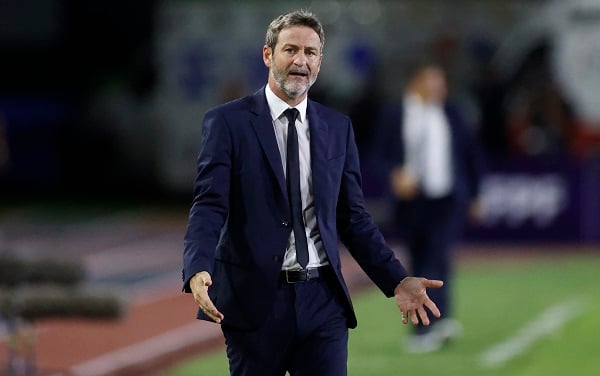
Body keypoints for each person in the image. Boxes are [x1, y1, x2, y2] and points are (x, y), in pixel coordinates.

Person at [182, 10, 443, 375]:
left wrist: (397, 278)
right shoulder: (227, 123)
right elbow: (210, 204)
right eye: (290, 50)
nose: (300, 61)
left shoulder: (338, 128)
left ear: (320, 61)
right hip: (256, 301)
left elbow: (353, 218)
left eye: (311, 53)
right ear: (268, 55)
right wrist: (198, 266)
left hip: (323, 301)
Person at [372, 63, 484, 353]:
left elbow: (471, 153)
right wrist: (395, 174)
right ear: (416, 82)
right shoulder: (395, 113)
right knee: (418, 262)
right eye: (434, 82)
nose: (440, 89)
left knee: (438, 256)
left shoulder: (452, 112)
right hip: (411, 202)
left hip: (447, 198)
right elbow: (378, 154)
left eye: (442, 82)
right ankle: (425, 326)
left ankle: (437, 322)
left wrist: (475, 194)